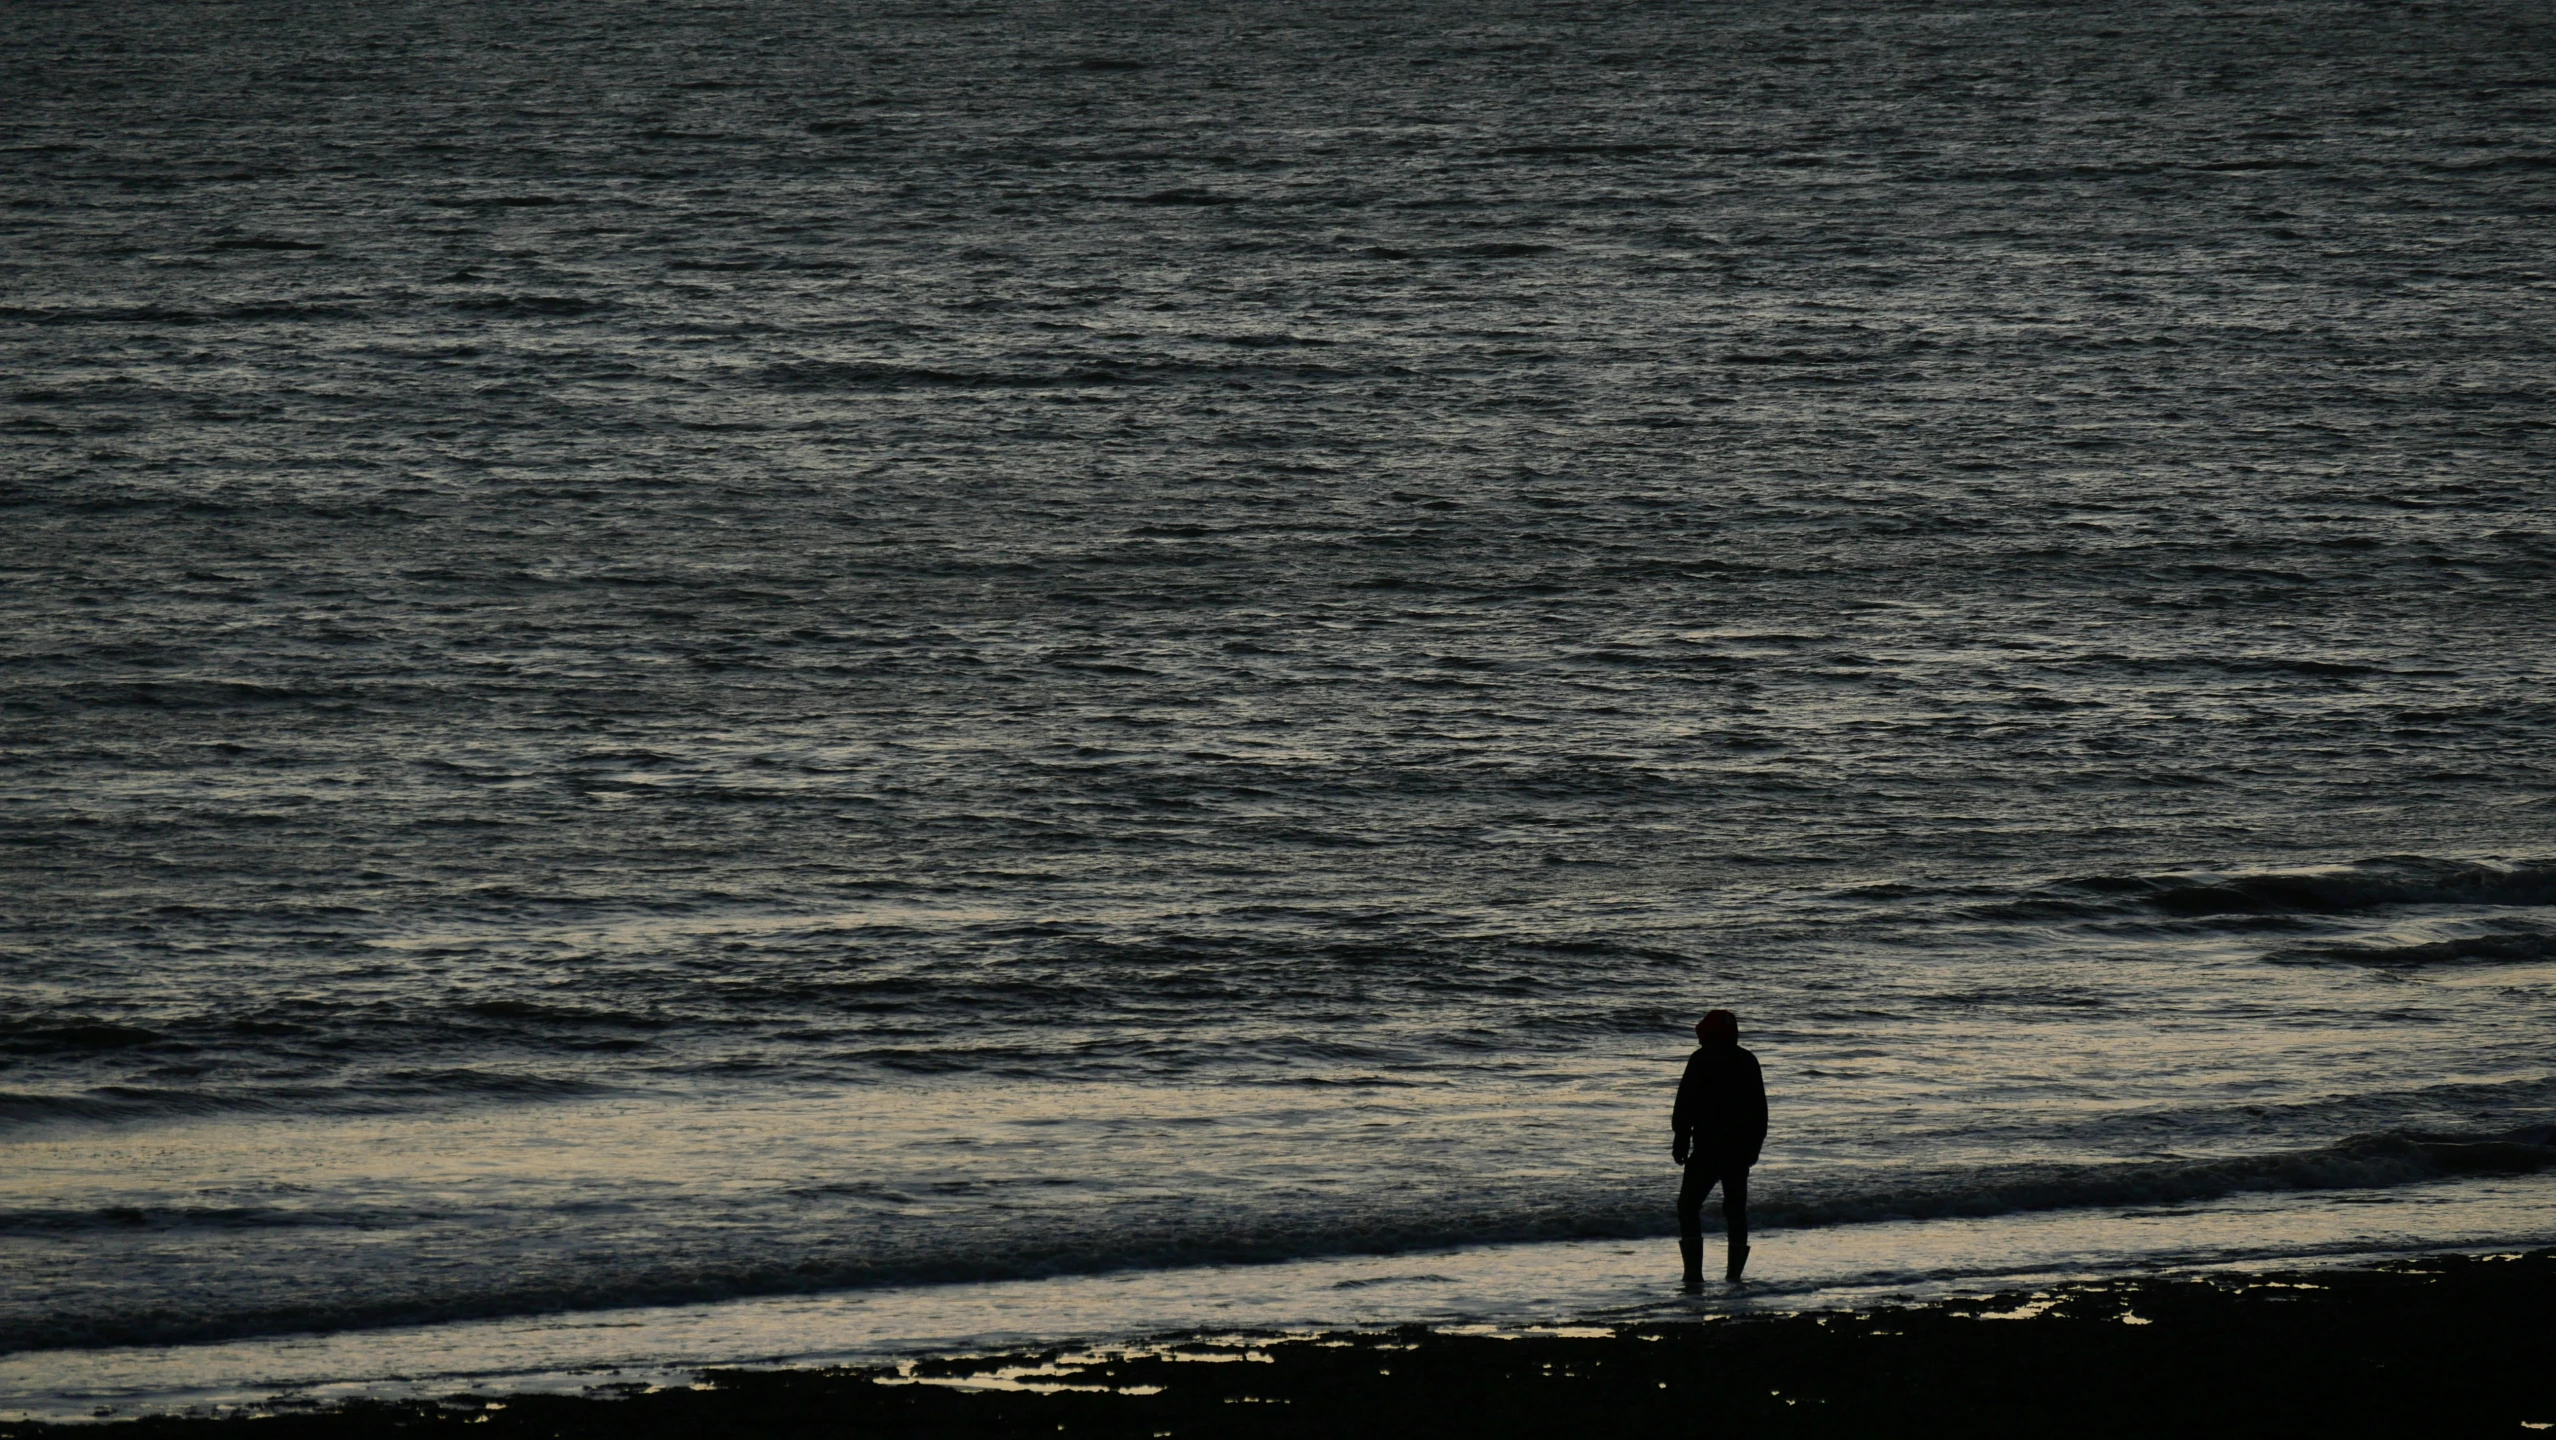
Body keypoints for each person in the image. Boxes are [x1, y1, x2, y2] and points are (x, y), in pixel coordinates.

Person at [1671, 1009, 1766, 1285]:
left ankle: (1693, 1274)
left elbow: (1685, 1102)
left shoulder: (1701, 1060)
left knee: (1688, 1206)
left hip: (1708, 1149)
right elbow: (1760, 1111)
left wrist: (1680, 1138)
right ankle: (1733, 1276)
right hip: (1738, 1150)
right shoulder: (1747, 1060)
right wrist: (1755, 1146)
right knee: (1735, 1211)